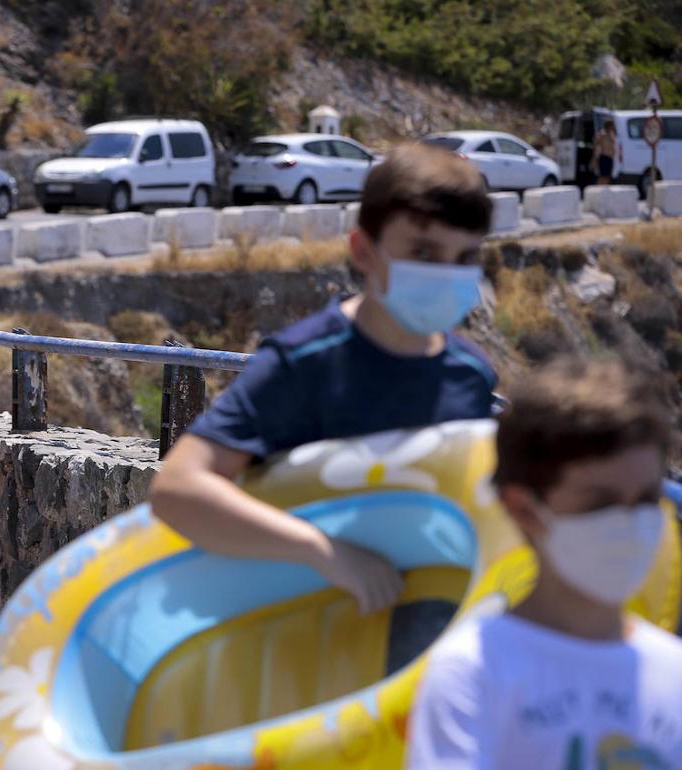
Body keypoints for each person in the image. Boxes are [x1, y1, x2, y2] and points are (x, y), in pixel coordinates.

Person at [149, 143, 496, 615]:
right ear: (363, 251)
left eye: (465, 257)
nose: (445, 273)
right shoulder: (305, 364)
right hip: (298, 634)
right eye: (423, 251)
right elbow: (179, 489)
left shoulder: (471, 376)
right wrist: (322, 550)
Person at [407, 357, 682, 768]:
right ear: (525, 510)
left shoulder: (672, 670)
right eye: (601, 503)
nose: (631, 524)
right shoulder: (474, 671)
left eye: (644, 501)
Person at [592, 119, 617, 186]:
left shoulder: (611, 134)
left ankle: (604, 190)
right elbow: (596, 145)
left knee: (608, 177)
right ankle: (598, 189)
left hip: (610, 158)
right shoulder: (602, 134)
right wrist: (594, 159)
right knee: (602, 176)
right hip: (604, 157)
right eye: (612, 125)